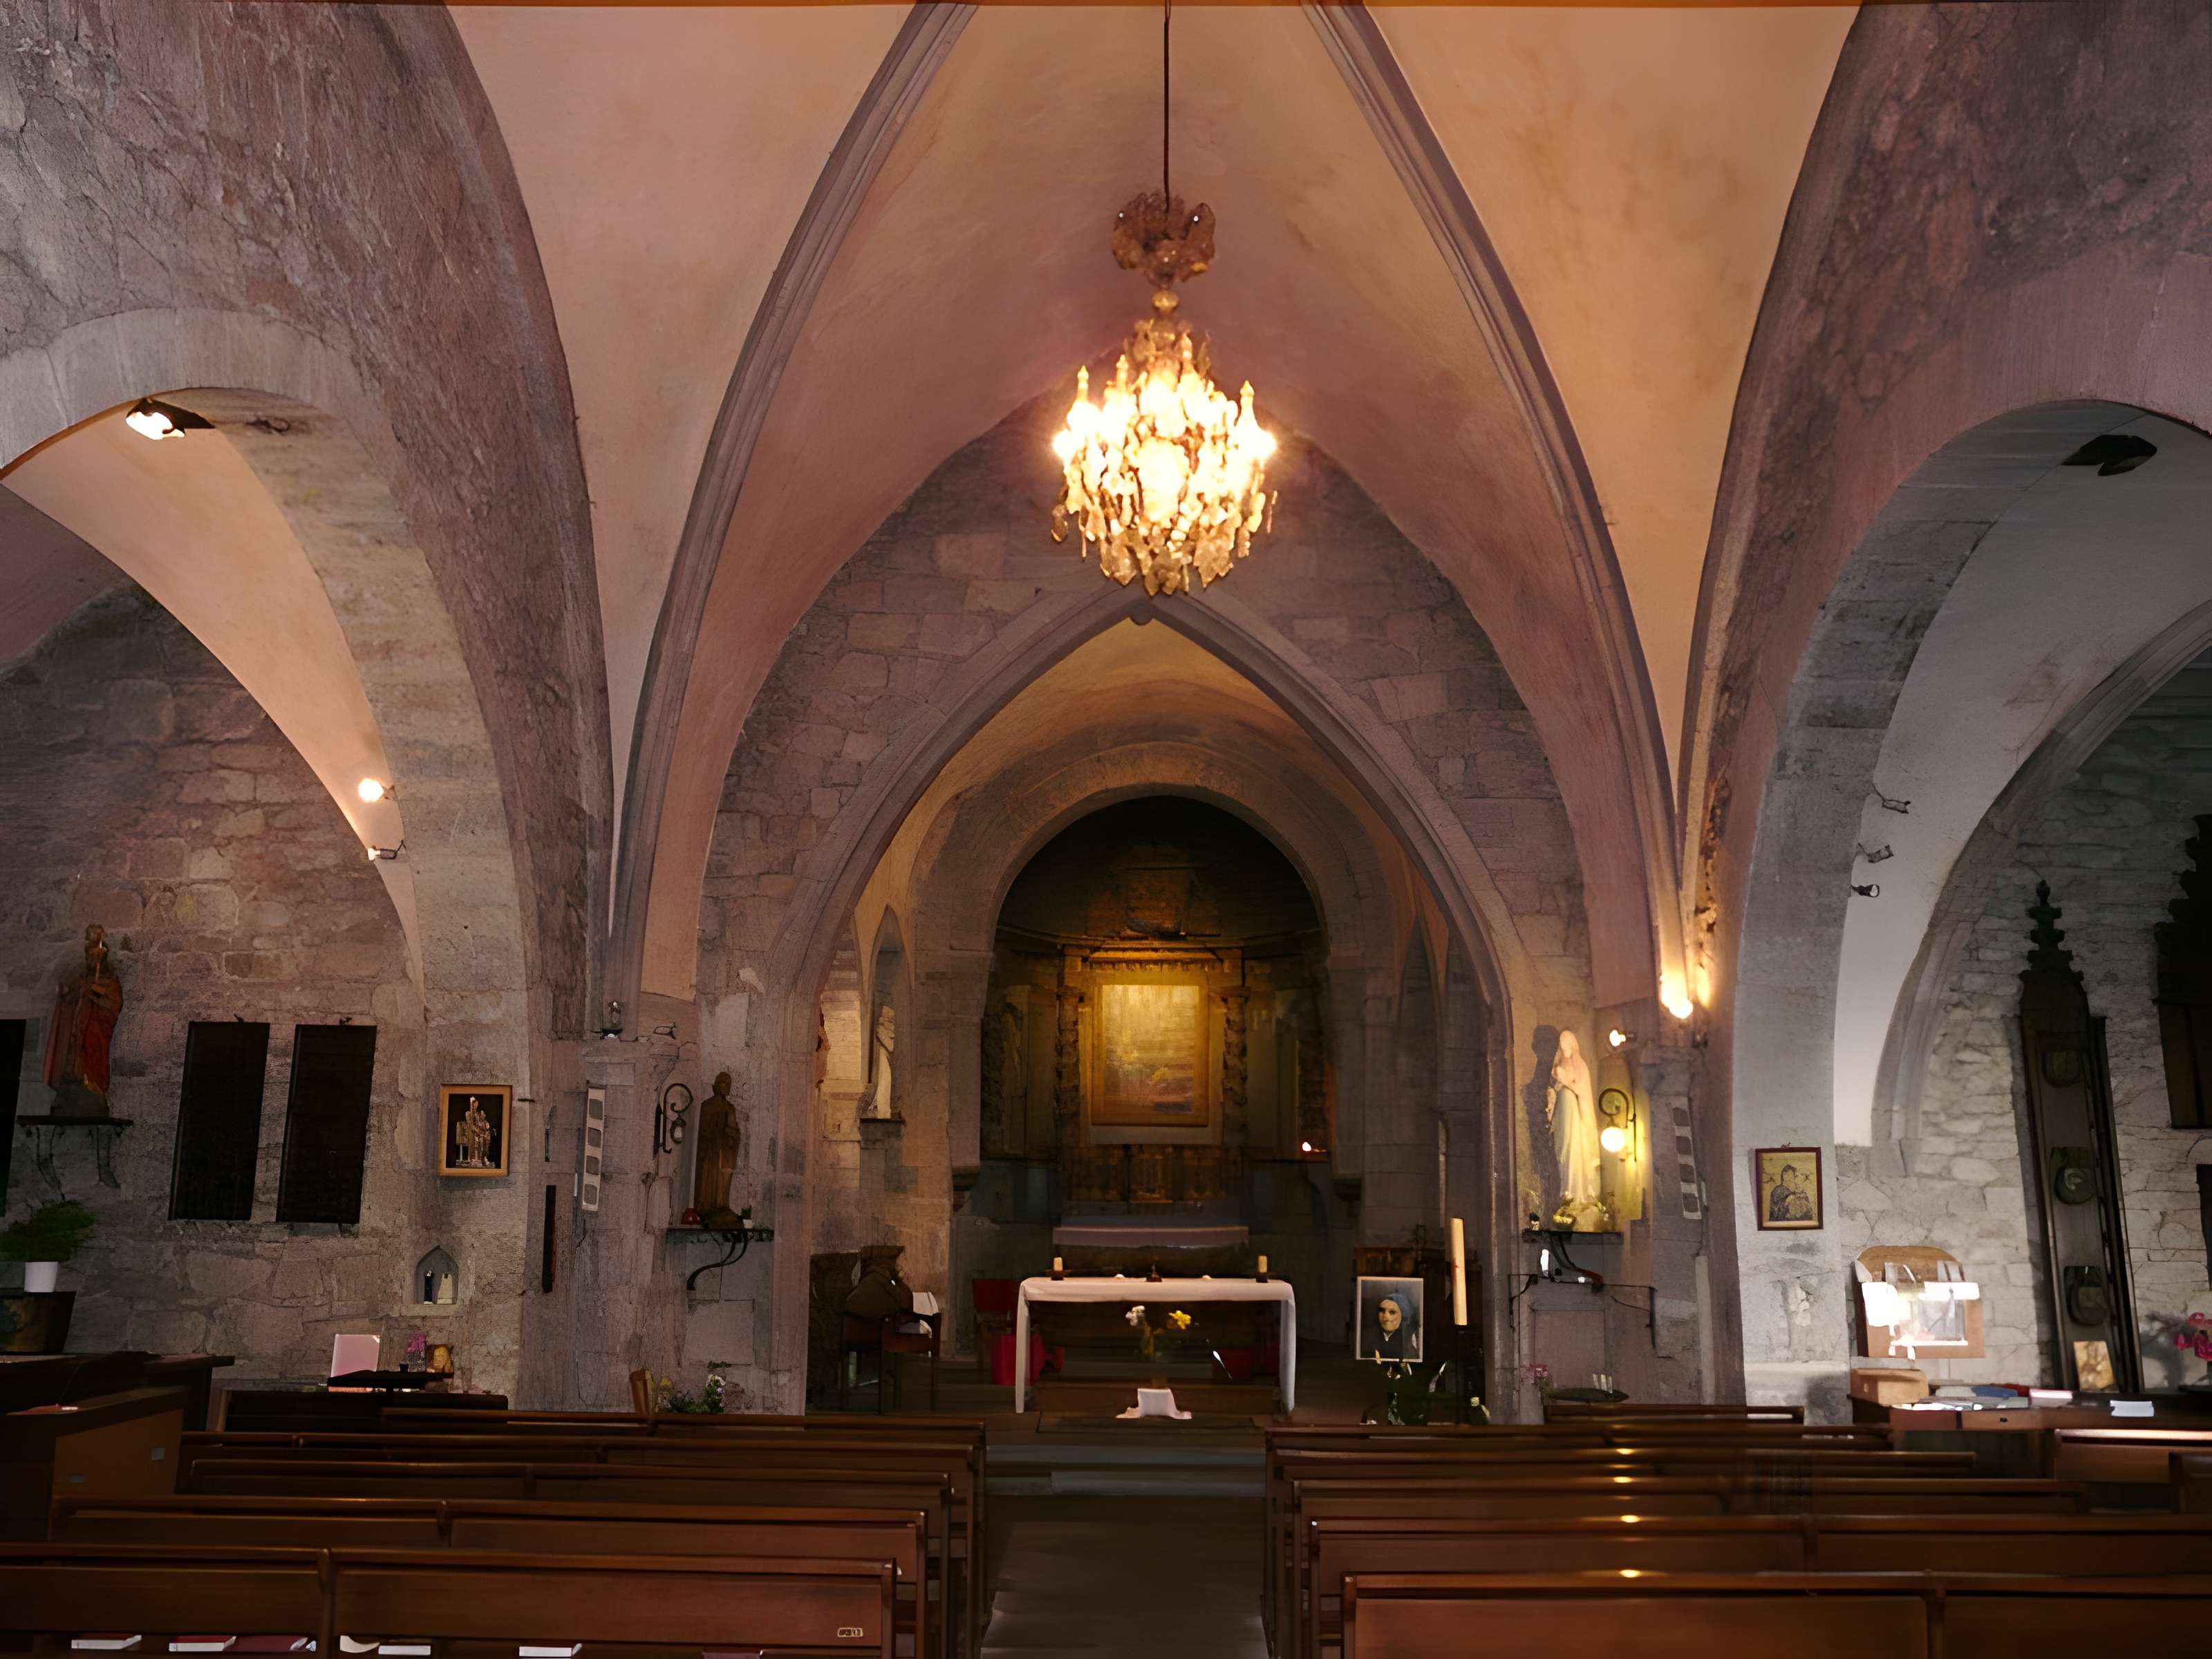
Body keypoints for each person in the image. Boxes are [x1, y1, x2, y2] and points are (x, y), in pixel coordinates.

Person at [44, 923, 124, 1117]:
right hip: (76, 1030)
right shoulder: (82, 979)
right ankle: (69, 1085)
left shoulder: (109, 980)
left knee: (93, 1055)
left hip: (95, 1030)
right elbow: (71, 997)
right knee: (71, 1059)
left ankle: (92, 1090)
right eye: (90, 956)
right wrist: (66, 994)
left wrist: (91, 992)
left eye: (96, 956)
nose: (92, 960)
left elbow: (114, 1004)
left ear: (103, 957)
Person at [1365, 1288, 1418, 1360]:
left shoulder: (1409, 1343)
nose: (1385, 1317)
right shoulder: (1369, 1338)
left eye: (1392, 1312)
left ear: (1403, 1316)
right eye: (1382, 1311)